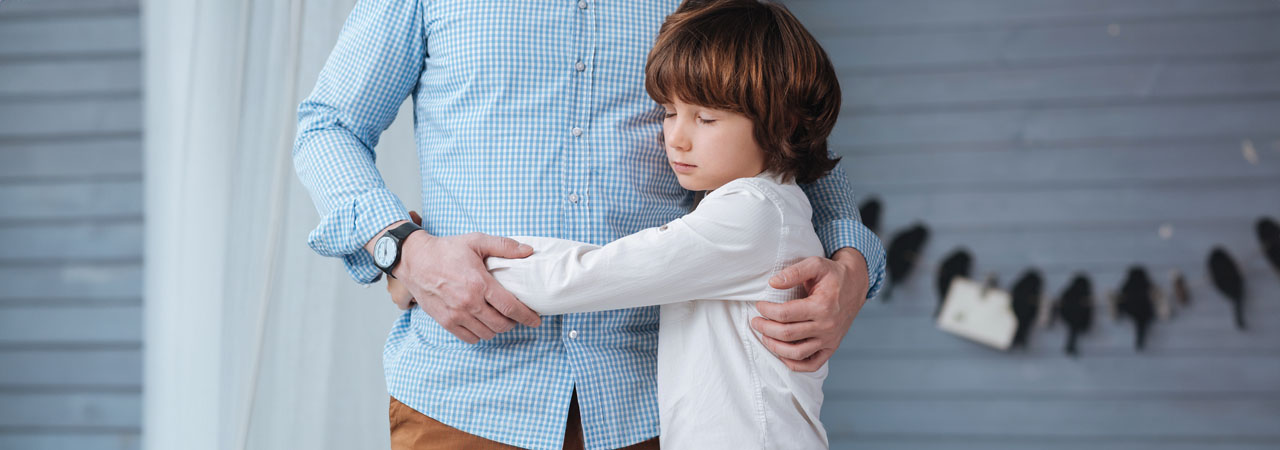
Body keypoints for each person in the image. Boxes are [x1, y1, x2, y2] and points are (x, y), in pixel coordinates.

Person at [294, 0, 886, 448]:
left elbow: (793, 140)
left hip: (650, 404)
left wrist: (854, 267)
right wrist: (406, 254)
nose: (679, 130)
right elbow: (328, 127)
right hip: (463, 399)